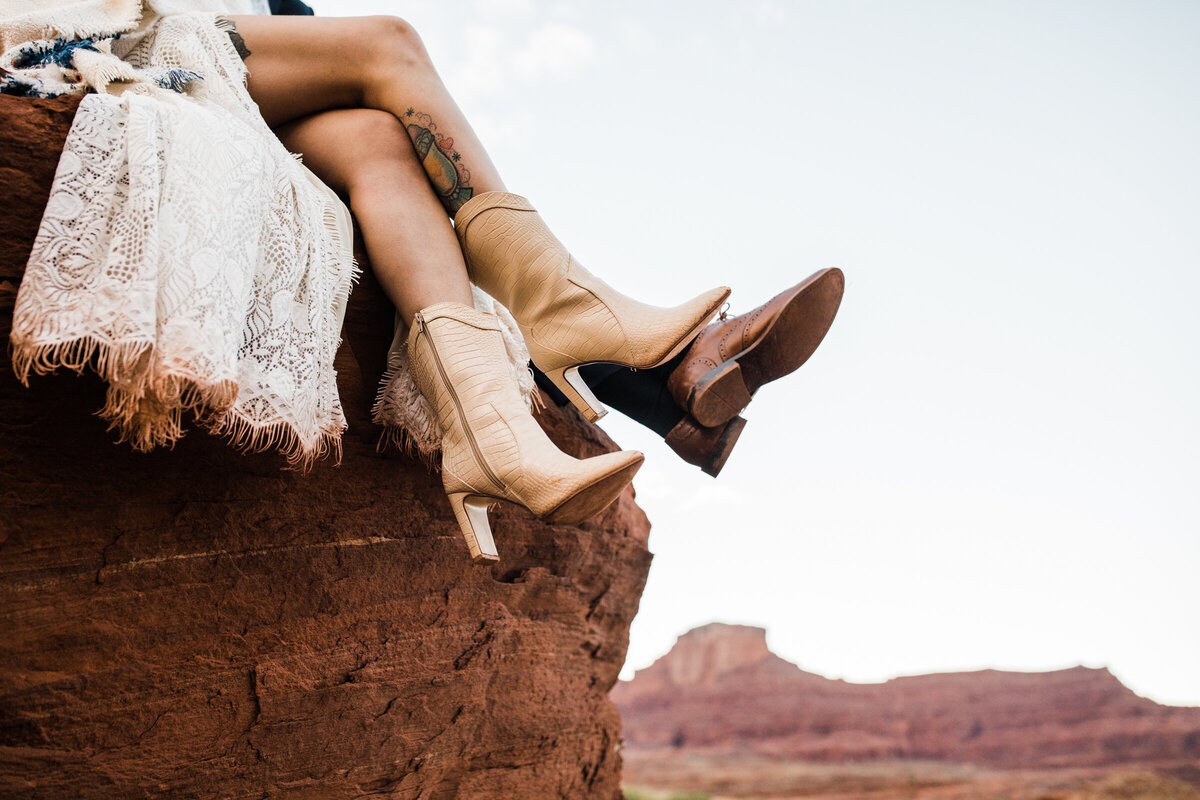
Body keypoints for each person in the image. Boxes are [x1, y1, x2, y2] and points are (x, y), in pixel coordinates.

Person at [217, 10, 844, 560]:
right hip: (145, 47)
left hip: (260, 89)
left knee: (384, 135)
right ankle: (668, 377)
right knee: (389, 44)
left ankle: (493, 437)